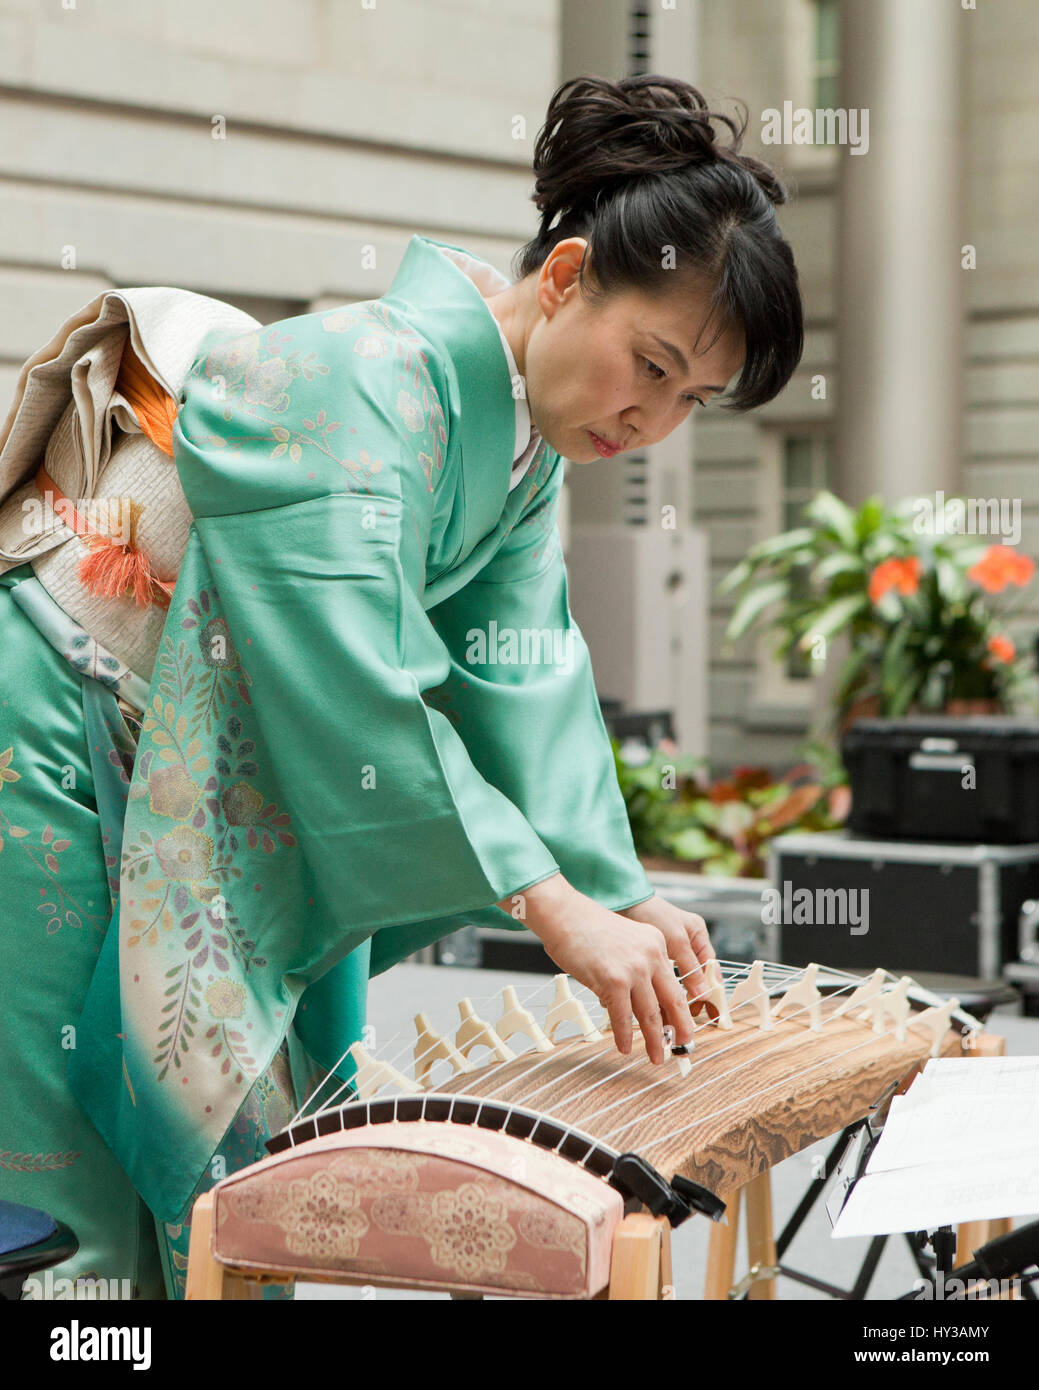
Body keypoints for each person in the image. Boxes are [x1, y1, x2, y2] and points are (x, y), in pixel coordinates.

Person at [0, 73, 803, 1299]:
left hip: (172, 724)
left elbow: (525, 677)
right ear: (568, 274)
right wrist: (547, 903)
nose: (649, 418)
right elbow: (353, 673)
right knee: (60, 1137)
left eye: (686, 401)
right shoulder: (360, 375)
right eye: (649, 363)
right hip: (54, 708)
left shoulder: (526, 451)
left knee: (246, 1131)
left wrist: (615, 889)